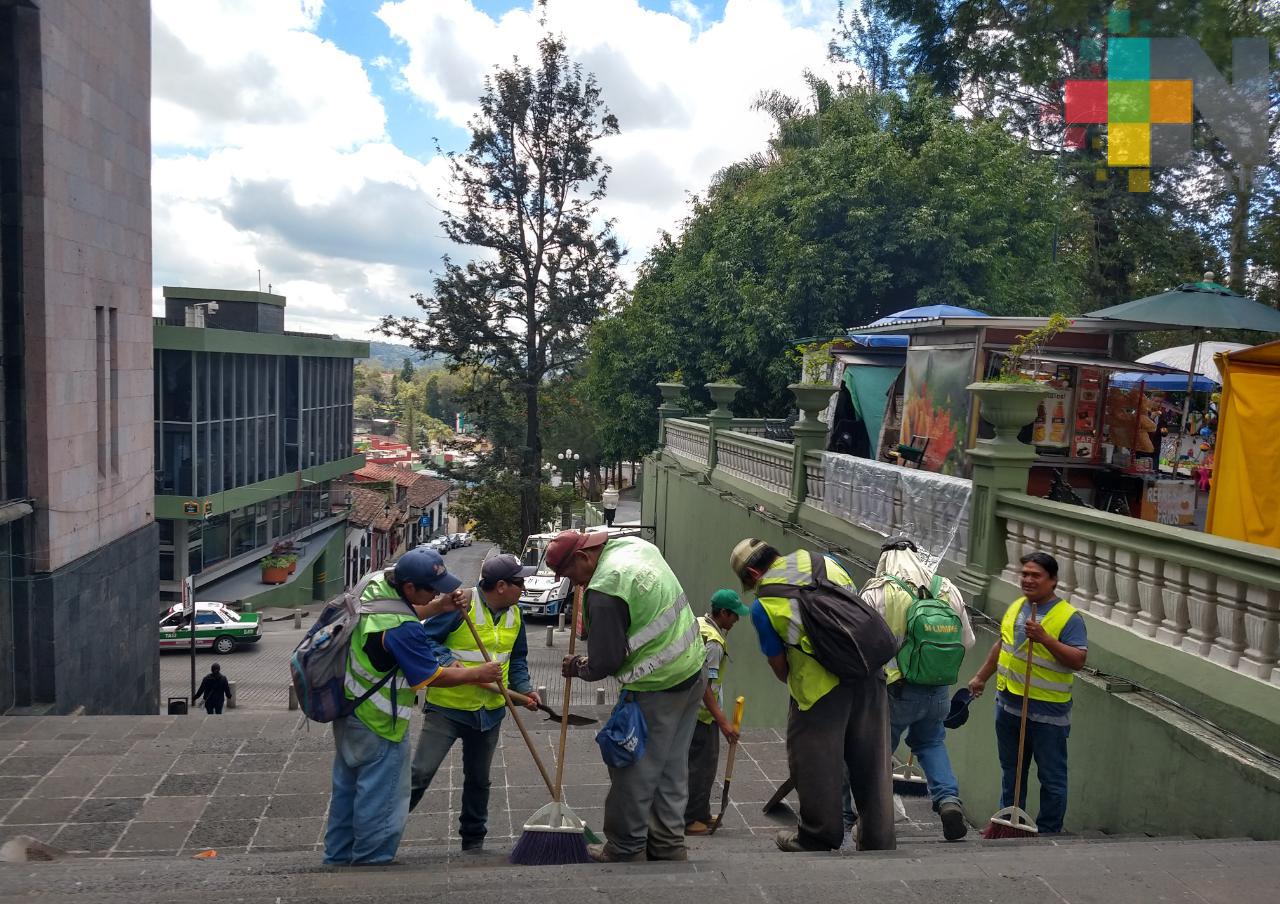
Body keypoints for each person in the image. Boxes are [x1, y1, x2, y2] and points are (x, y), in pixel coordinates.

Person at [323, 547, 502, 867]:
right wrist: (478, 674)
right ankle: (370, 865)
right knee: (382, 800)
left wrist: (438, 607)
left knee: (347, 794)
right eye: (431, 589)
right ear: (409, 588)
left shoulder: (374, 584)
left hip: (348, 710)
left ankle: (336, 860)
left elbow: (392, 611)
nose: (437, 592)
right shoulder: (403, 629)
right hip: (380, 723)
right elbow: (429, 676)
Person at [551, 529, 706, 863]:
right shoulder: (635, 545)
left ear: (583, 557)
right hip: (693, 668)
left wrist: (578, 665)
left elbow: (606, 661)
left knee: (633, 766)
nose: (574, 584)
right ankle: (666, 844)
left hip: (657, 683)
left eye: (569, 575)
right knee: (671, 765)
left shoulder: (604, 589)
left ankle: (624, 846)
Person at [731, 537, 894, 853]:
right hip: (868, 672)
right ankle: (878, 840)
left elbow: (779, 667)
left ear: (752, 572)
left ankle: (817, 835)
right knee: (872, 763)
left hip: (820, 690)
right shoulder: (825, 561)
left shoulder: (764, 605)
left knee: (814, 761)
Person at [408, 553, 541, 853]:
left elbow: (517, 659)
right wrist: (451, 663)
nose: (525, 586)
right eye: (521, 582)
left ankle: (473, 841)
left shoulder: (515, 614)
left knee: (479, 780)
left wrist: (525, 690)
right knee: (420, 773)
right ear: (503, 585)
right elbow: (425, 638)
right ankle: (383, 829)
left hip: (490, 712)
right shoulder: (463, 604)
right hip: (448, 709)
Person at [853, 538, 975, 841]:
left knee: (878, 752)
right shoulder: (946, 588)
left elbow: (859, 643)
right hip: (938, 689)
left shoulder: (877, 591)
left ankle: (871, 821)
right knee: (932, 743)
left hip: (895, 689)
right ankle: (948, 802)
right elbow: (967, 641)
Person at [966, 552, 1087, 834]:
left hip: (1047, 714)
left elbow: (1078, 660)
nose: (1028, 580)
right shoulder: (1018, 606)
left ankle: (1047, 832)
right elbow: (1003, 645)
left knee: (1052, 778)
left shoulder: (1069, 617)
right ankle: (1010, 824)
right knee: (1013, 773)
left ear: (1053, 581)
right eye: (1025, 574)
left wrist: (1045, 639)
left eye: (1036, 575)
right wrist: (981, 676)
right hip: (1008, 707)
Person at [685, 588, 750, 835]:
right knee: (702, 768)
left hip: (690, 711)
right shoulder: (714, 643)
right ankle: (690, 820)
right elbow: (705, 687)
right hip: (702, 716)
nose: (736, 620)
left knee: (699, 765)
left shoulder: (699, 624)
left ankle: (700, 813)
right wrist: (723, 722)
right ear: (723, 613)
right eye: (734, 615)